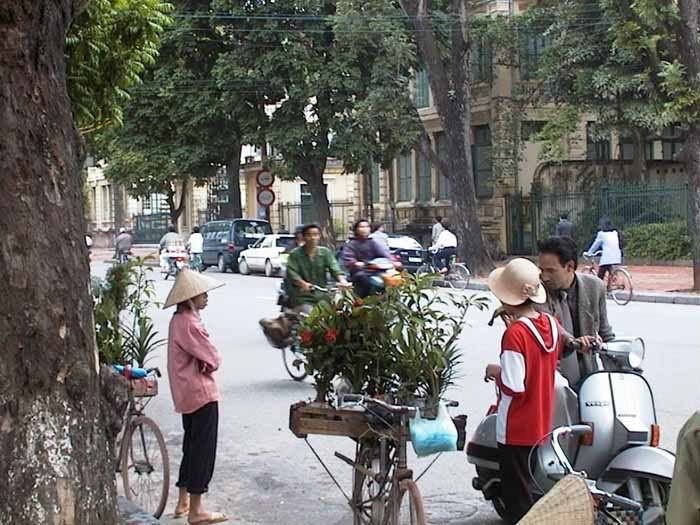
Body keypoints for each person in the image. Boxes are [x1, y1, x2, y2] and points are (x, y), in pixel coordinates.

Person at [484, 258, 565, 524]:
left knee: (517, 501)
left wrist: (495, 371)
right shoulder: (551, 324)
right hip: (540, 421)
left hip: (515, 427)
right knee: (529, 490)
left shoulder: (514, 334)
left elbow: (514, 385)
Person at [164, 269, 228, 525]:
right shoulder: (190, 323)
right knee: (202, 450)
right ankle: (197, 510)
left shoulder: (177, 320)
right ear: (190, 297)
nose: (205, 297)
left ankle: (183, 501)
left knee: (190, 446)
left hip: (185, 393)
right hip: (201, 393)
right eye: (201, 293)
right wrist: (208, 364)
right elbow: (213, 358)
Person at [537, 236, 615, 386]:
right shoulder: (539, 293)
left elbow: (605, 332)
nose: (544, 277)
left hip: (589, 374)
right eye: (541, 270)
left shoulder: (595, 287)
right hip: (555, 378)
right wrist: (573, 342)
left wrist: (622, 368)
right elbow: (551, 327)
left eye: (551, 271)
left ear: (570, 266)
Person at [260, 224, 350, 346]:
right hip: (302, 295)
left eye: (315, 235)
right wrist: (303, 284)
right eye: (309, 235)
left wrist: (342, 281)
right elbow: (292, 273)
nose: (313, 238)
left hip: (322, 295)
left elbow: (335, 268)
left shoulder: (325, 253)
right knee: (310, 315)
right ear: (303, 237)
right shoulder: (295, 254)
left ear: (319, 236)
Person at [342, 219, 396, 297]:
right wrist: (357, 263)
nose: (365, 229)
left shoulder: (372, 242)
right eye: (362, 227)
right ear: (356, 229)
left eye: (367, 226)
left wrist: (393, 261)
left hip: (375, 271)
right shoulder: (351, 244)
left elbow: (384, 254)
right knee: (366, 281)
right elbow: (348, 258)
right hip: (360, 272)